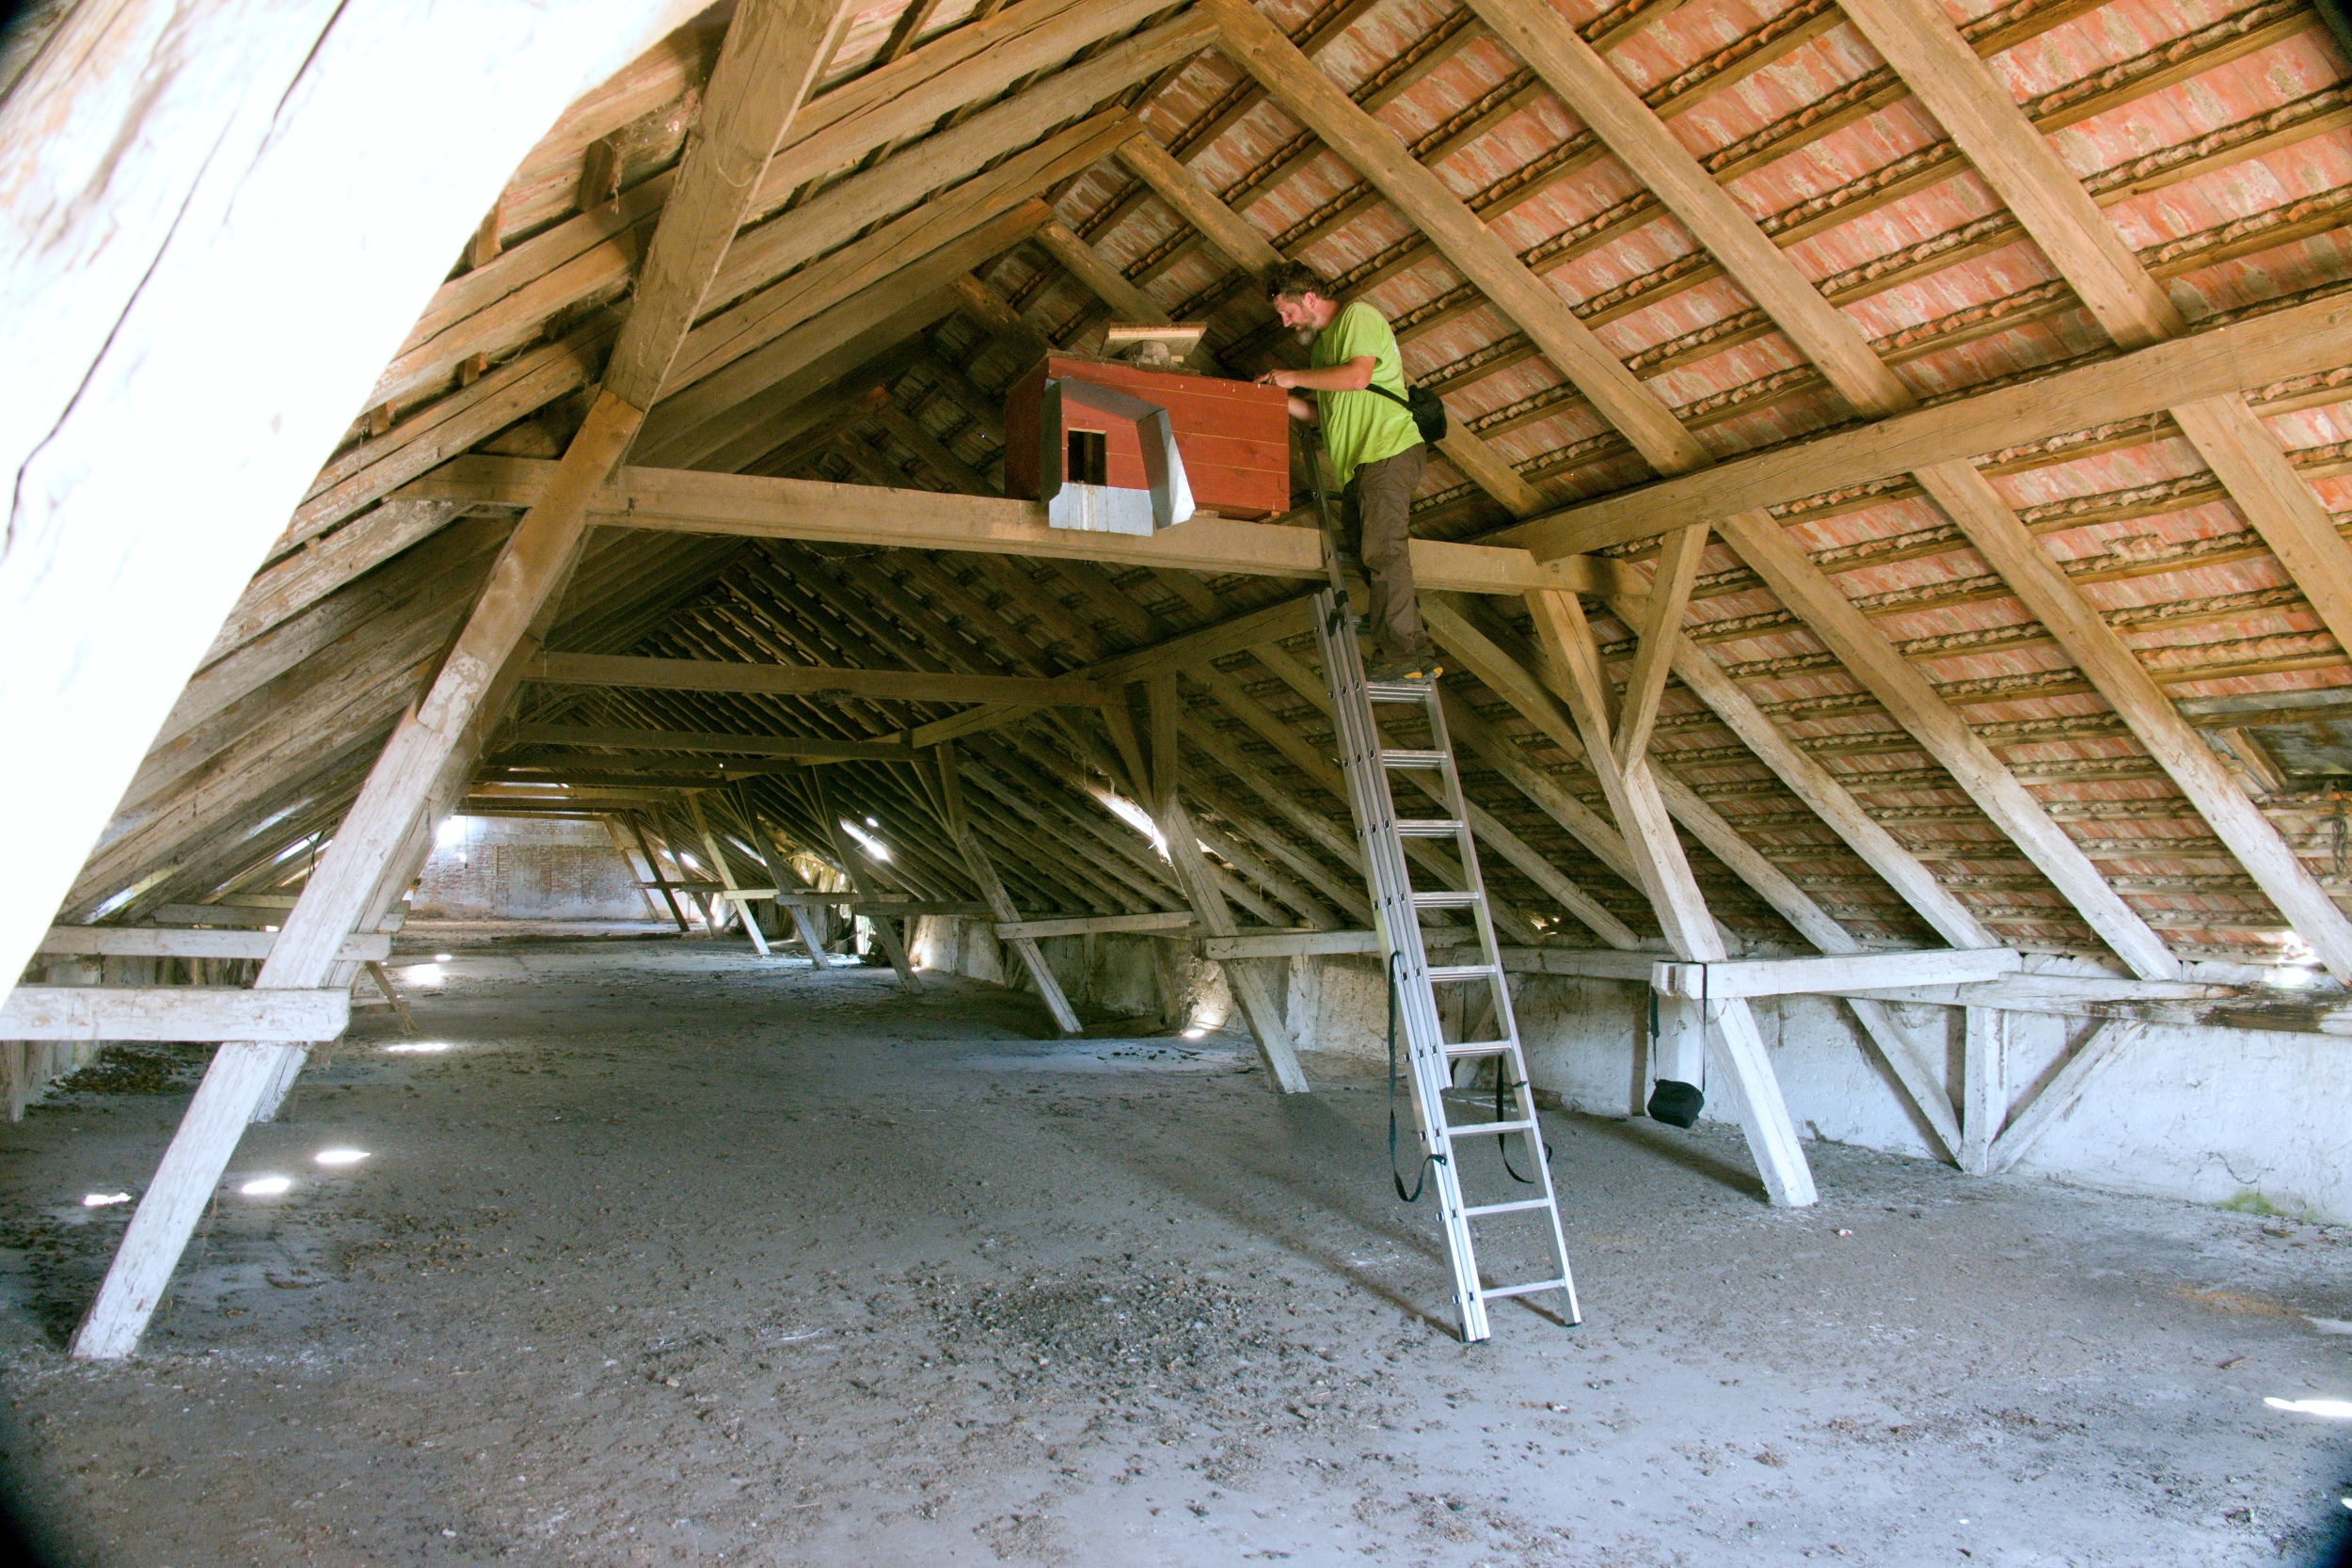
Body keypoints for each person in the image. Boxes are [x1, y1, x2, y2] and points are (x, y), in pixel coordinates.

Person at [1254, 261, 1441, 683]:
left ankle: (1401, 653)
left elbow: (1358, 379)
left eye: (1287, 312)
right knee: (1370, 554)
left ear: (1309, 298)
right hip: (1361, 467)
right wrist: (1277, 399)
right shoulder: (1322, 352)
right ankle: (1414, 646)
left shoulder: (1358, 317)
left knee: (1383, 552)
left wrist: (1291, 377)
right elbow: (1325, 417)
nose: (1285, 323)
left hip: (1387, 450)